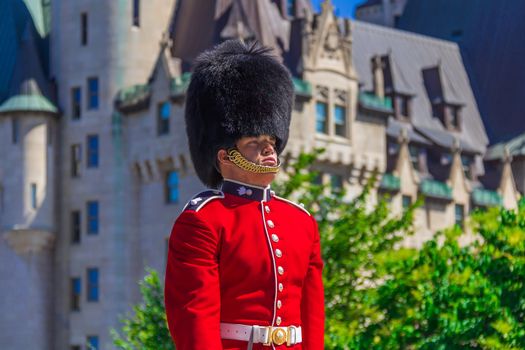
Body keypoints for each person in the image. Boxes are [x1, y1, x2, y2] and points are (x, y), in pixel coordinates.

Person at [164, 39, 324, 350]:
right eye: (254, 141)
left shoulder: (301, 221)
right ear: (224, 156)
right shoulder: (203, 220)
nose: (269, 148)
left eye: (272, 139)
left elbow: (312, 316)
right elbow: (195, 320)